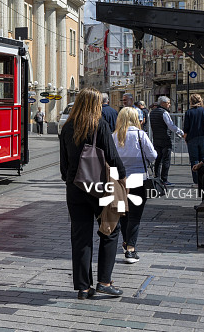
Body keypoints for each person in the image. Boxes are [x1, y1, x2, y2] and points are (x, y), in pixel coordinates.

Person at [60, 87, 125, 299]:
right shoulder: (100, 125)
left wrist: (71, 180)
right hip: (99, 187)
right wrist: (122, 180)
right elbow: (113, 158)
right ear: (95, 104)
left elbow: (63, 165)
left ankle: (83, 287)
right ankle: (104, 281)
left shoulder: (68, 126)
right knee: (110, 229)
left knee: (80, 236)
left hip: (75, 188)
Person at [112, 107, 157, 264]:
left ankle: (126, 243)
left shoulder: (114, 136)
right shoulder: (140, 134)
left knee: (123, 214)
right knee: (135, 216)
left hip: (118, 179)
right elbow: (153, 155)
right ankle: (131, 249)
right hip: (138, 179)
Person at [148, 96, 184, 186]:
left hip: (156, 139)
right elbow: (171, 126)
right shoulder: (164, 113)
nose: (169, 105)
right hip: (165, 138)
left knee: (158, 159)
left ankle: (157, 177)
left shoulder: (152, 113)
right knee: (166, 160)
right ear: (163, 103)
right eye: (168, 103)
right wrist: (181, 132)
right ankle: (164, 179)